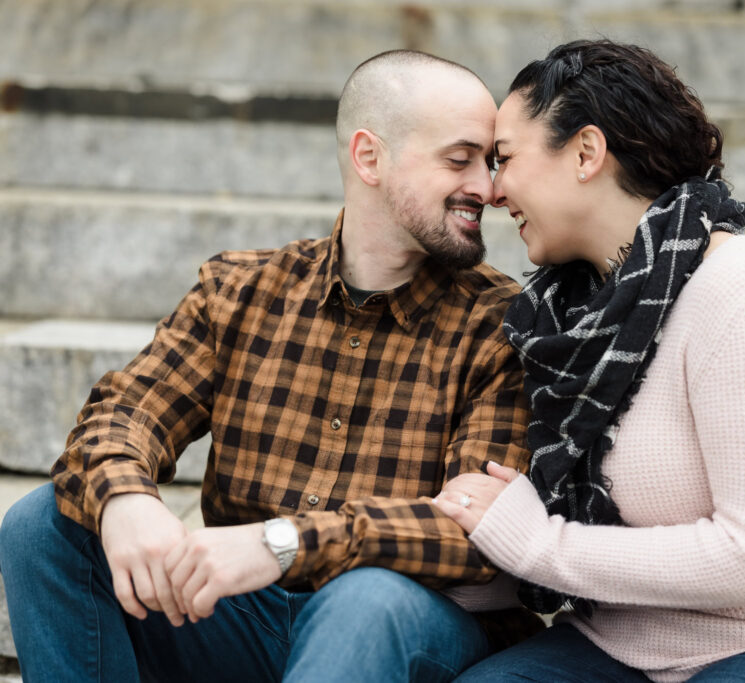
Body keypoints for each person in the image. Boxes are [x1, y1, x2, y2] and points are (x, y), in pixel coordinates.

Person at [0, 50, 539, 683]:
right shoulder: (241, 290)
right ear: (370, 157)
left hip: (405, 624)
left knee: (364, 600)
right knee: (45, 526)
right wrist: (125, 499)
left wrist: (284, 544)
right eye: (460, 159)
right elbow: (124, 412)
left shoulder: (506, 323)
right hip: (238, 616)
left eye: (491, 162)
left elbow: (480, 531)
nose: (488, 187)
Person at [433, 40, 745, 682]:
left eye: (506, 158)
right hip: (623, 640)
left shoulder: (741, 292)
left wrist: (541, 546)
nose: (492, 191)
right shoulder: (562, 322)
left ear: (585, 153)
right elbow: (518, 539)